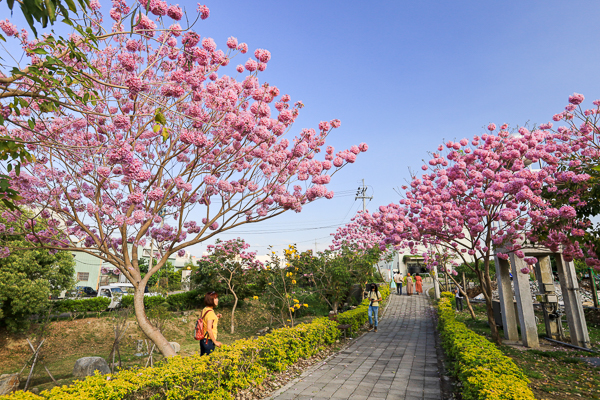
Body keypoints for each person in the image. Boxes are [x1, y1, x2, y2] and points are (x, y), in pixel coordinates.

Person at [197, 291, 223, 356]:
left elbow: (206, 321)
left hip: (203, 339)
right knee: (209, 363)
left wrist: (216, 317)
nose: (217, 300)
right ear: (211, 300)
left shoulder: (205, 309)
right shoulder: (210, 313)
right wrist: (215, 342)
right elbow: (209, 329)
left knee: (203, 361)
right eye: (215, 298)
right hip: (208, 341)